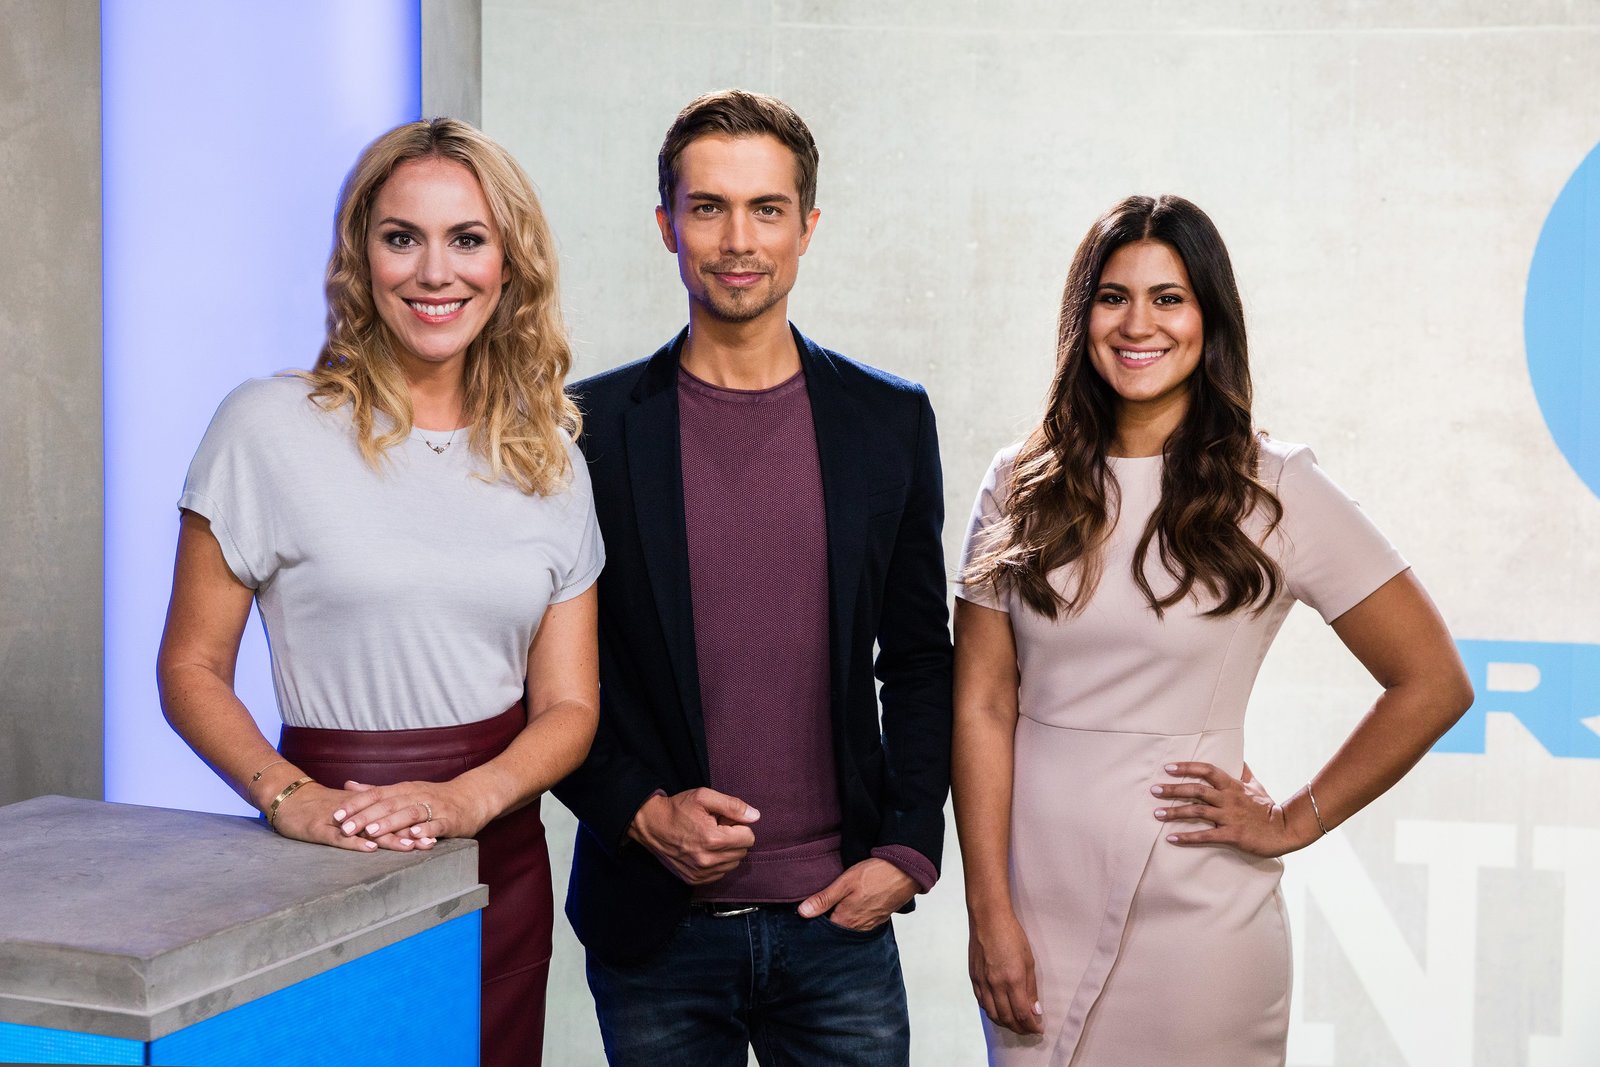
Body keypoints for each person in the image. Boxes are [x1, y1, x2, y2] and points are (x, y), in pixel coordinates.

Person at [952, 194, 1473, 1065]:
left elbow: (1433, 681)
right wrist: (987, 910)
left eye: (1170, 297)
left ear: (1210, 318)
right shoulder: (1019, 481)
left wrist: (1296, 819)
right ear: (1082, 318)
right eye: (1113, 297)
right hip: (1035, 908)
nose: (1138, 324)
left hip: (1198, 918)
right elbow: (980, 707)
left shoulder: (1274, 485)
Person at [156, 118, 601, 1067]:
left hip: (499, 858)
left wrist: (467, 800)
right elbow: (190, 667)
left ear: (510, 263)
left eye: (467, 238)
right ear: (362, 257)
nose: (435, 272)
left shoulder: (551, 457)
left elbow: (569, 706)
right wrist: (290, 798)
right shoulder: (264, 427)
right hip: (327, 846)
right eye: (403, 237)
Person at [551, 89, 953, 1066]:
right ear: (667, 225)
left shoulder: (888, 421)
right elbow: (549, 676)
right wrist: (640, 812)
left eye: (766, 209)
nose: (739, 240)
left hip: (839, 923)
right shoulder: (586, 434)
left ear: (806, 226)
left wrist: (908, 848)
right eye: (709, 208)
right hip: (657, 929)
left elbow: (917, 657)